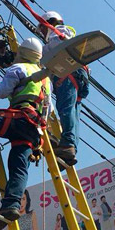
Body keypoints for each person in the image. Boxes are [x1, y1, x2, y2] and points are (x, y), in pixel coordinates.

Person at [0, 37, 51, 230]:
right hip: (33, 128)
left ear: (21, 52)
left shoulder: (18, 69)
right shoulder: (45, 79)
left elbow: (3, 92)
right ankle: (11, 206)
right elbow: (49, 109)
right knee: (19, 167)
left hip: (18, 119)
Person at [38, 11, 89, 165]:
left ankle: (67, 144)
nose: (42, 32)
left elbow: (54, 48)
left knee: (65, 108)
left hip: (68, 72)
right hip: (79, 76)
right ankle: (70, 150)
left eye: (42, 28)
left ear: (49, 22)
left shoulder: (58, 33)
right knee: (74, 113)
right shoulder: (67, 35)